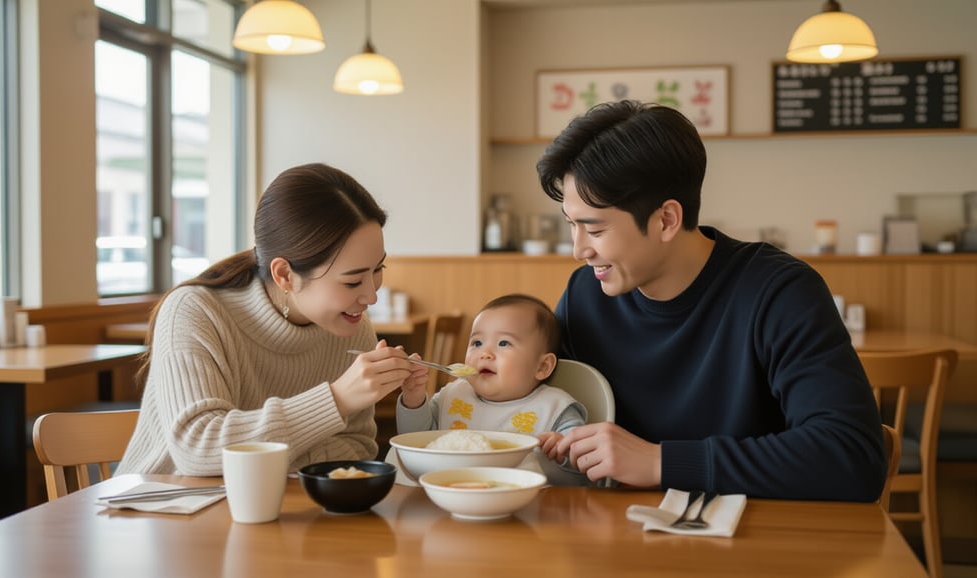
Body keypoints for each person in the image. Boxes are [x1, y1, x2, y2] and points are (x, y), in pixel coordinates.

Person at [535, 100, 886, 501]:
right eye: (571, 226)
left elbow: (852, 456)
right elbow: (532, 409)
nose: (579, 250)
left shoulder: (779, 292)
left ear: (666, 219)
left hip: (752, 547)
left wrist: (660, 463)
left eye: (594, 230)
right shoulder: (586, 296)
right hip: (616, 542)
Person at [117, 163, 428, 476]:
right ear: (285, 274)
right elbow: (198, 449)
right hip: (157, 508)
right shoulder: (195, 311)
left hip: (267, 508)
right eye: (352, 282)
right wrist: (336, 400)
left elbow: (356, 447)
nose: (371, 296)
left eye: (378, 270)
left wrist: (271, 454)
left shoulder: (352, 326)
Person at [397, 293, 589, 484]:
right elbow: (414, 440)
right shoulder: (453, 395)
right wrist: (413, 399)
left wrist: (563, 452)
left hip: (528, 505)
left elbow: (584, 469)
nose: (485, 354)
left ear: (542, 366)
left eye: (504, 343)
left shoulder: (555, 409)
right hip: (449, 496)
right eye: (477, 343)